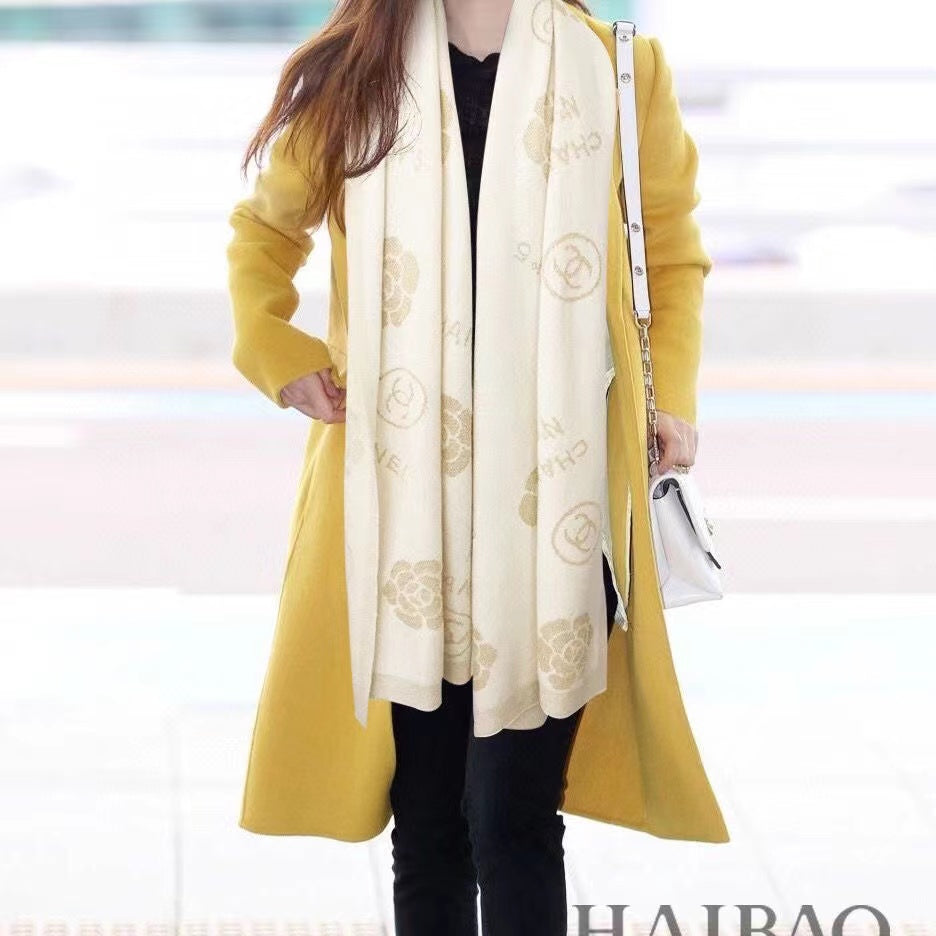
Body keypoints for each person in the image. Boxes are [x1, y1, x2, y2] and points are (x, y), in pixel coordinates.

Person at [226, 1, 729, 934]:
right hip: (402, 505)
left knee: (514, 818)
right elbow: (265, 234)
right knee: (427, 825)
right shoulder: (357, 65)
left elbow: (668, 249)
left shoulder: (621, 67)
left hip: (560, 500)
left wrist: (674, 396)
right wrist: (274, 348)